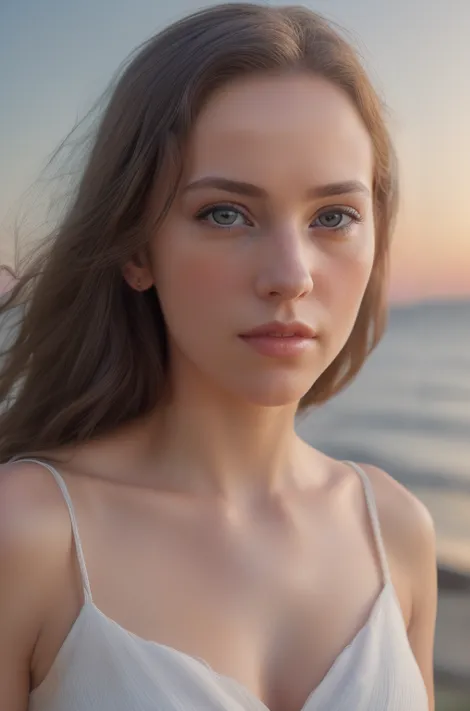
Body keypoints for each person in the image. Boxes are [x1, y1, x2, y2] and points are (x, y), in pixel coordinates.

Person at [0, 3, 437, 710]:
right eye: (225, 213)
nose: (290, 274)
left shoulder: (396, 529)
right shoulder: (28, 534)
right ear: (137, 247)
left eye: (333, 217)